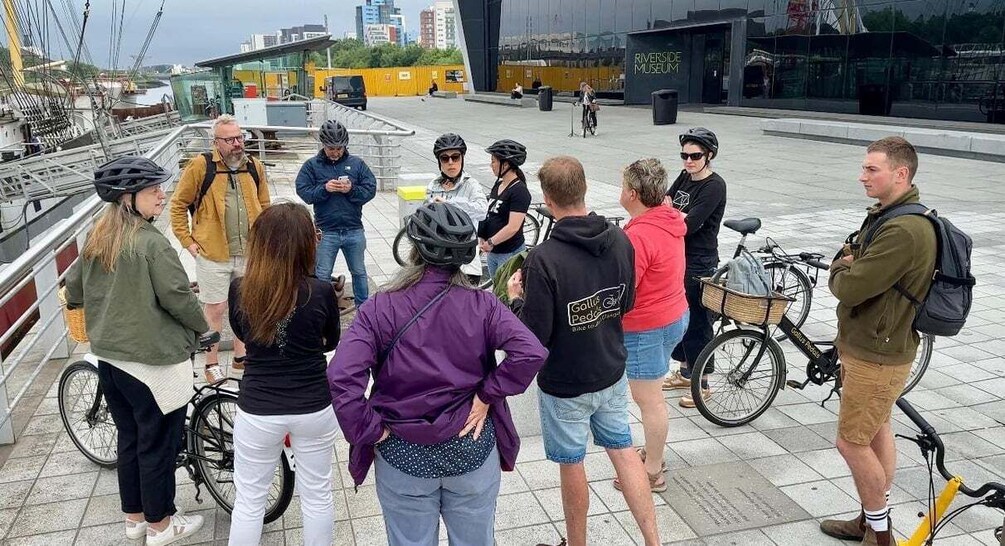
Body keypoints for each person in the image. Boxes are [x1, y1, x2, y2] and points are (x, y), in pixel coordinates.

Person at [329, 202, 547, 546]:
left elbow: (341, 378)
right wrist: (486, 394)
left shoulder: (379, 307)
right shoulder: (483, 304)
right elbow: (531, 352)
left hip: (403, 452)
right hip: (470, 447)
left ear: (414, 249)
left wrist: (371, 430)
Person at [506, 156, 660, 546]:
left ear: (547, 199)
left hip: (565, 382)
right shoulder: (622, 239)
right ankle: (653, 541)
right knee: (624, 451)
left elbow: (535, 334)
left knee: (572, 465)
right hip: (610, 369)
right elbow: (625, 304)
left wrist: (515, 300)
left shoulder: (544, 258)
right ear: (584, 188)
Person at [66, 156, 208, 546]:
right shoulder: (151, 243)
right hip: (153, 363)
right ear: (128, 198)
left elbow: (74, 290)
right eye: (152, 190)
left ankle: (135, 519)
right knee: (158, 445)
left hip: (110, 359)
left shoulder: (98, 235)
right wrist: (203, 325)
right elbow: (178, 298)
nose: (162, 195)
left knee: (129, 439)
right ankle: (162, 526)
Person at [819, 137, 936, 546]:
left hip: (878, 353)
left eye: (872, 169)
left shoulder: (904, 229)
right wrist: (852, 259)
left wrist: (839, 266)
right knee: (875, 431)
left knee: (851, 443)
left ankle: (880, 535)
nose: (862, 176)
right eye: (864, 167)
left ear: (900, 174)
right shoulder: (890, 214)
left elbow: (851, 287)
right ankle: (872, 518)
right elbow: (858, 258)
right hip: (872, 344)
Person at [227, 203, 341, 546]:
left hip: (258, 407)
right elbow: (331, 340)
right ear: (306, 243)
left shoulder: (240, 289)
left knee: (249, 501)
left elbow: (244, 334)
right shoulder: (320, 291)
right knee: (318, 494)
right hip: (314, 405)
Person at [169, 114, 270, 384]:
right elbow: (178, 205)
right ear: (216, 142)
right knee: (215, 309)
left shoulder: (254, 167)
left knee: (246, 307)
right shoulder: (201, 167)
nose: (238, 143)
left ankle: (241, 357)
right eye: (230, 139)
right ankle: (211, 362)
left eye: (240, 137)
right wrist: (188, 242)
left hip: (249, 252)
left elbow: (265, 205)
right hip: (213, 253)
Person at [615, 158, 689, 493]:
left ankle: (653, 470)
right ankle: (653, 452)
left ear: (632, 193)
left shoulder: (640, 235)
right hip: (674, 313)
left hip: (648, 326)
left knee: (650, 400)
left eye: (621, 186)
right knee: (652, 395)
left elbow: (625, 290)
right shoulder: (668, 219)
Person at [660, 127, 726, 408]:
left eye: (695, 156)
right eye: (684, 155)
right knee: (678, 316)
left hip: (700, 261)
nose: (688, 161)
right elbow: (664, 204)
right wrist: (674, 213)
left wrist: (674, 213)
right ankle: (687, 372)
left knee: (698, 321)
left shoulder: (714, 186)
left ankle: (704, 383)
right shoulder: (685, 176)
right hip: (679, 256)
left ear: (709, 155)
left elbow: (689, 224)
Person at [295, 119, 377, 309]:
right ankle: (321, 310)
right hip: (326, 231)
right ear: (323, 145)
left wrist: (351, 189)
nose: (336, 152)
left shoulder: (357, 164)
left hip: (353, 229)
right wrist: (324, 189)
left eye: (339, 148)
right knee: (322, 274)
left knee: (359, 271)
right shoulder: (312, 166)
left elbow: (370, 189)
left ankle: (363, 310)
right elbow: (304, 192)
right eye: (331, 148)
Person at [426, 133, 488, 282]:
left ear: (462, 158)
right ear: (439, 161)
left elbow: (482, 211)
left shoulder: (471, 184)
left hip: (466, 263)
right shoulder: (433, 185)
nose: (451, 162)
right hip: (439, 261)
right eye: (445, 158)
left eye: (455, 157)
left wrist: (450, 203)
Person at [478, 139, 532, 278]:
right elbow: (489, 213)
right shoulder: (499, 185)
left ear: (506, 164)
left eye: (494, 161)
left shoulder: (519, 191)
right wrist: (482, 236)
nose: (491, 165)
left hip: (509, 253)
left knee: (506, 295)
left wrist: (491, 242)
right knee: (497, 291)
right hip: (493, 252)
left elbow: (513, 227)